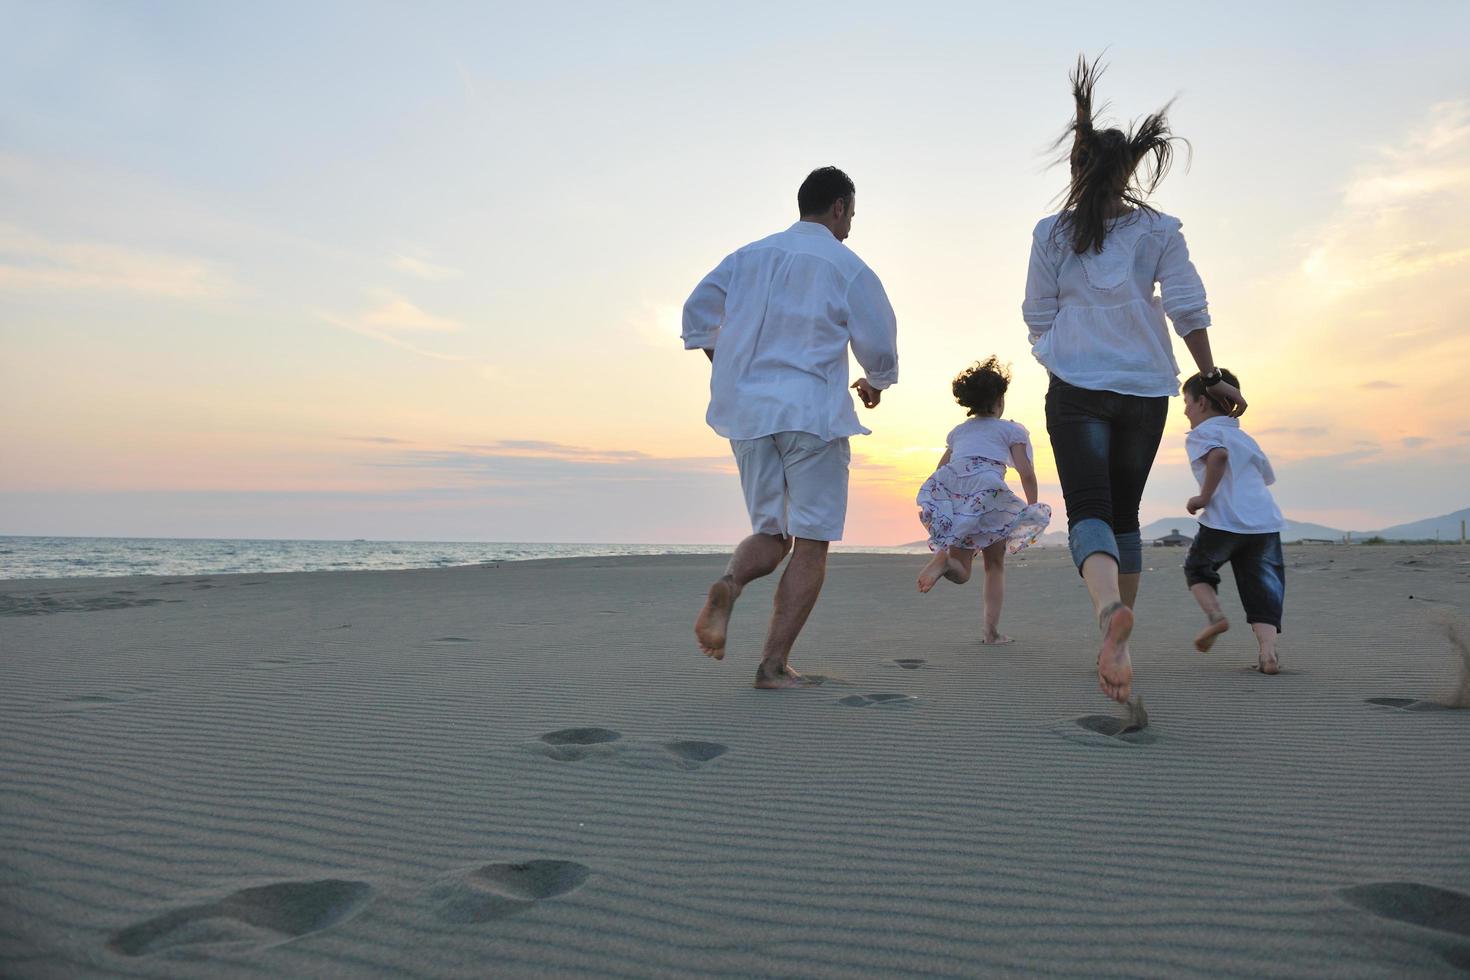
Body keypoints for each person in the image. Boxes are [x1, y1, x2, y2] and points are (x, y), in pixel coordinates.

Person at [1021, 55, 1249, 703]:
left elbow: (1037, 315)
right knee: (1124, 514)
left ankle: (1105, 616)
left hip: (1077, 385)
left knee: (1088, 511)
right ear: (1130, 172)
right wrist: (1211, 377)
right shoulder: (1160, 230)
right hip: (1148, 389)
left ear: (1077, 169)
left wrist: (1060, 354)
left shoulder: (1050, 234)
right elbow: (1187, 306)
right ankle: (1118, 641)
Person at [682, 166, 899, 689]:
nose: (850, 227)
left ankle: (731, 585)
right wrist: (876, 382)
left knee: (770, 534)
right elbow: (881, 345)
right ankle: (773, 665)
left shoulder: (746, 256)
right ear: (840, 207)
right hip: (811, 415)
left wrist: (732, 366)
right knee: (811, 542)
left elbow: (695, 315)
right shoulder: (846, 266)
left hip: (749, 417)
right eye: (851, 215)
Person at [914, 357, 1051, 645]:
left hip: (956, 493)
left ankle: (944, 560)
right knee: (994, 565)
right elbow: (1026, 472)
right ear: (1000, 400)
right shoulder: (1011, 430)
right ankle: (991, 633)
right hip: (988, 492)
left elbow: (942, 472)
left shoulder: (959, 432)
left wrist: (939, 507)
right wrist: (1031, 507)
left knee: (962, 571)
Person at [1180, 368, 1285, 673]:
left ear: (1201, 403)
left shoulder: (1203, 433)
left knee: (1197, 569)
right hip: (1264, 522)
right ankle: (1268, 654)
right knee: (1263, 588)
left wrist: (1204, 497)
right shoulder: (1246, 437)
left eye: (1187, 402)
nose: (1185, 411)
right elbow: (1265, 477)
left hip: (1224, 520)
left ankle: (1215, 616)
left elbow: (1219, 457)